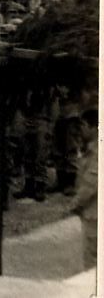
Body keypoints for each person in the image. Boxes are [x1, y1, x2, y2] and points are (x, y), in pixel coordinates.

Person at [72, 106, 97, 270]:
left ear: (95, 128)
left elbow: (90, 184)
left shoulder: (97, 152)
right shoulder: (89, 149)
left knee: (92, 262)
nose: (81, 130)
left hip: (94, 213)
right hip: (91, 212)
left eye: (83, 126)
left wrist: (75, 204)